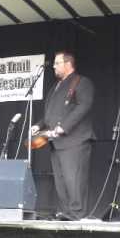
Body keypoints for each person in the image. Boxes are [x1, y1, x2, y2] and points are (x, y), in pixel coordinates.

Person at [31, 51, 95, 220]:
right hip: (56, 142)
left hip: (75, 140)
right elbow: (50, 114)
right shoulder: (55, 86)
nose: (53, 66)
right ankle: (66, 214)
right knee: (61, 182)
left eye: (57, 63)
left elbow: (83, 106)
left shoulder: (81, 82)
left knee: (74, 180)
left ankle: (77, 215)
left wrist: (63, 127)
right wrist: (38, 125)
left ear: (68, 64)